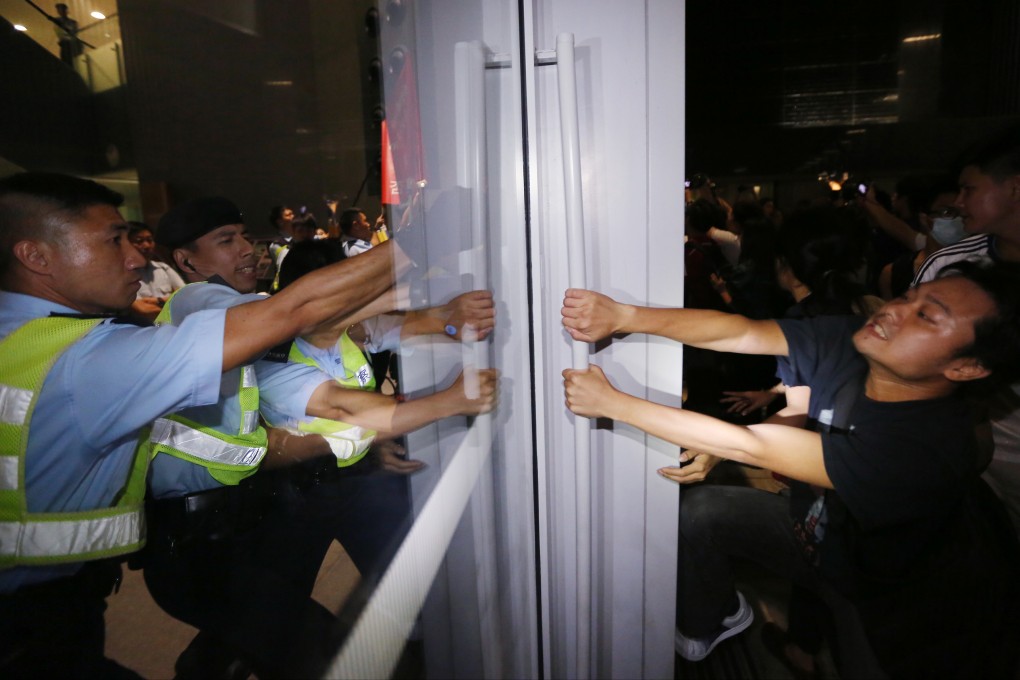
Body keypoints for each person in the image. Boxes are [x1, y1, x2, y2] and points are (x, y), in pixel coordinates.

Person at [0, 171, 410, 678]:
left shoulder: (25, 341)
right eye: (112, 241)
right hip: (41, 614)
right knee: (326, 653)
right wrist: (416, 239)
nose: (135, 258)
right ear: (35, 256)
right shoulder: (85, 360)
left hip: (64, 603)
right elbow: (296, 312)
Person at [560, 265, 1020, 677]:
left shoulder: (927, 451)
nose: (897, 310)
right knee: (702, 512)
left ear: (967, 367)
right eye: (908, 297)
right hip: (817, 539)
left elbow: (756, 445)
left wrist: (614, 404)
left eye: (927, 315)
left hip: (888, 599)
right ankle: (718, 622)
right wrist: (623, 316)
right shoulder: (856, 340)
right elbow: (741, 333)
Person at [141, 197, 496, 678]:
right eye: (227, 241)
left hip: (265, 505)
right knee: (304, 648)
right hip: (212, 531)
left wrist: (444, 315)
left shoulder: (268, 315)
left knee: (283, 629)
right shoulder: (197, 301)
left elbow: (369, 327)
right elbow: (316, 338)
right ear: (186, 261)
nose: (247, 250)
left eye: (244, 236)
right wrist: (414, 252)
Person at [910, 126, 1020, 540]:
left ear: (1014, 188)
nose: (958, 203)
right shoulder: (949, 267)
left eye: (968, 189)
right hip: (982, 457)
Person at [127, 221, 185, 322]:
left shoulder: (163, 268)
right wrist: (171, 301)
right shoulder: (124, 274)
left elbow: (186, 295)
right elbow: (144, 310)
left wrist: (158, 301)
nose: (146, 245)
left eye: (150, 240)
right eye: (139, 241)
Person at [53, 3, 81, 67]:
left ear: (66, 10)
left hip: (71, 44)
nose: (60, 11)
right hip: (65, 43)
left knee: (72, 60)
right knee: (66, 60)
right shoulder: (56, 20)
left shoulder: (72, 22)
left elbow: (74, 32)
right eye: (59, 10)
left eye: (62, 9)